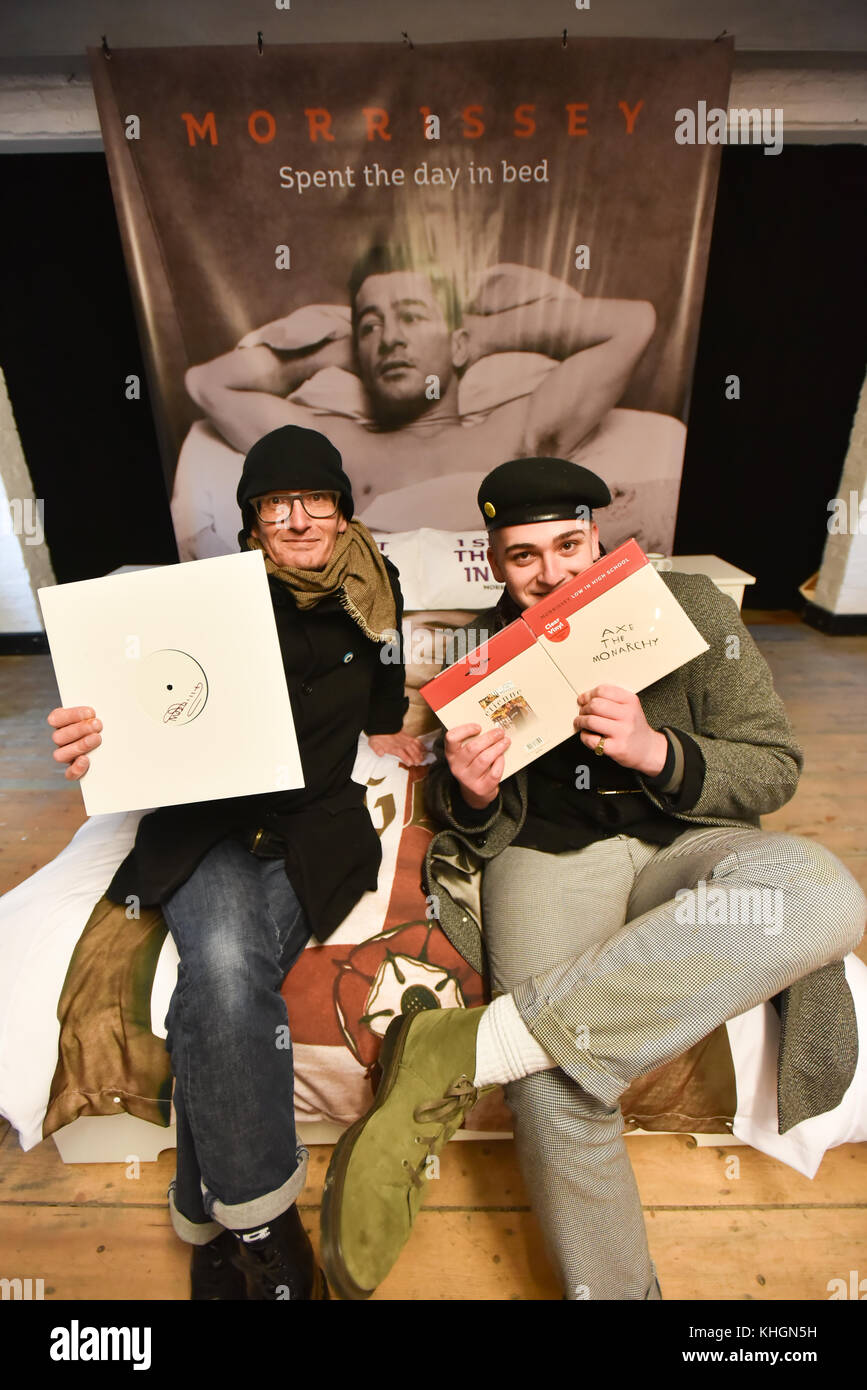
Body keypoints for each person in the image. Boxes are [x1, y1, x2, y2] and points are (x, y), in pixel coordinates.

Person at [319, 456, 866, 1301]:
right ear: (495, 563)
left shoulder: (692, 608)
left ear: (598, 536)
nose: (551, 573)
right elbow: (468, 818)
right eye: (523, 556)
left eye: (568, 545)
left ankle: (470, 1048)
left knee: (823, 892)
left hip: (684, 843)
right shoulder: (478, 651)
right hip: (547, 860)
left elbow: (772, 770)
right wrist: (468, 791)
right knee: (549, 1089)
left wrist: (658, 751)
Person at [47, 424, 426, 1301]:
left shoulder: (376, 586)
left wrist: (387, 733)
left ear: (341, 510)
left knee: (216, 991)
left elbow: (383, 686)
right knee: (221, 972)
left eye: (314, 500)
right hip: (209, 824)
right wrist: (93, 735)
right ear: (251, 522)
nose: (296, 518)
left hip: (314, 826)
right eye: (273, 504)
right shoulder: (202, 602)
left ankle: (206, 1218)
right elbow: (135, 699)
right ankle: (265, 1229)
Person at [173, 245, 670, 546]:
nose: (390, 339)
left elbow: (633, 323)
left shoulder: (518, 432)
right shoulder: (335, 448)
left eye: (412, 317)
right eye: (371, 326)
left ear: (459, 342)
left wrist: (481, 335)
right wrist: (332, 353)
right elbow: (206, 383)